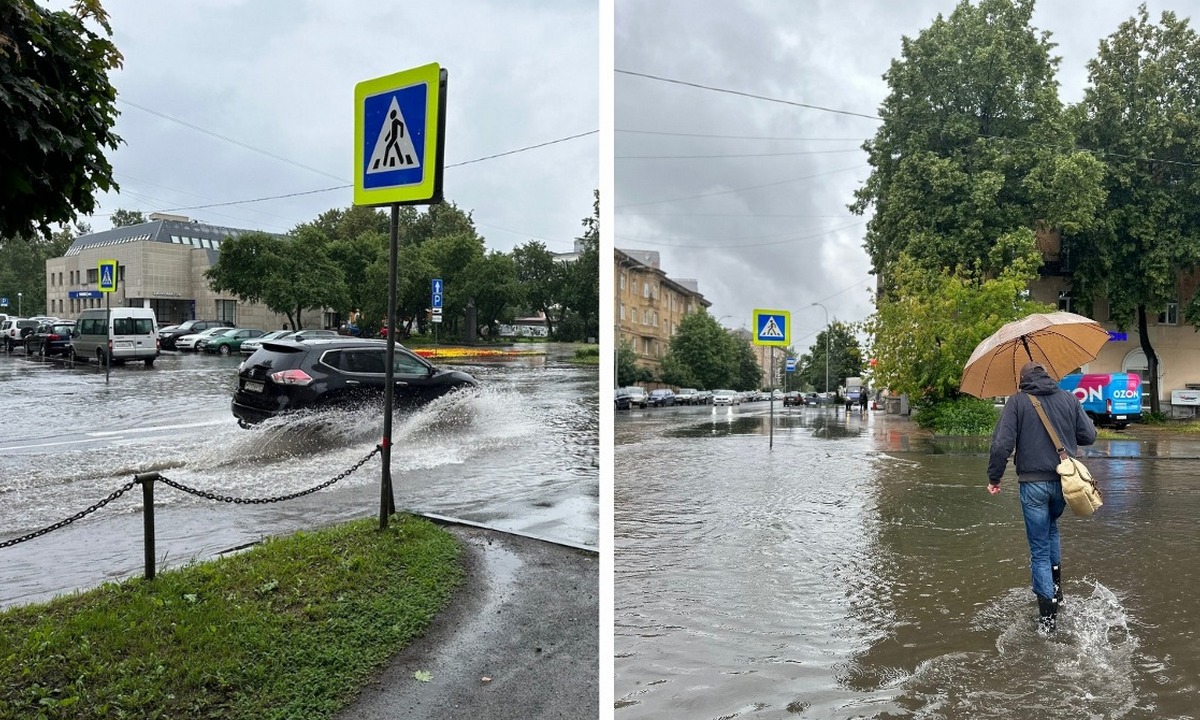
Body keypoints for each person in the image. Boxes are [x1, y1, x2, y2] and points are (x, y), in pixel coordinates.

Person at [987, 361, 1096, 634]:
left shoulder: (1017, 402)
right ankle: (1057, 592)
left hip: (1033, 485)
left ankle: (1048, 619)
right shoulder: (1069, 399)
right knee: (1052, 530)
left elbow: (1002, 444)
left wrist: (994, 478)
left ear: (1022, 380)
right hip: (1064, 484)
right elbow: (1089, 435)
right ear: (1048, 376)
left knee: (1038, 548)